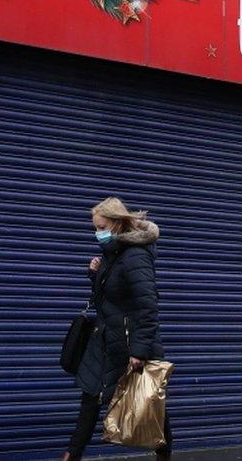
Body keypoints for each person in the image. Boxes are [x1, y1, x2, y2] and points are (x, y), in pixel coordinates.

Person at [63, 197, 171, 461]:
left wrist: (140, 349)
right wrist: (95, 275)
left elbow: (147, 306)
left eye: (100, 227)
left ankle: (164, 455)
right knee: (89, 399)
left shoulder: (135, 256)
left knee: (149, 406)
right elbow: (112, 300)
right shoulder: (113, 255)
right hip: (105, 342)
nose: (97, 233)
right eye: (94, 228)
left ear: (117, 224)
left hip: (128, 347)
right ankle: (71, 455)